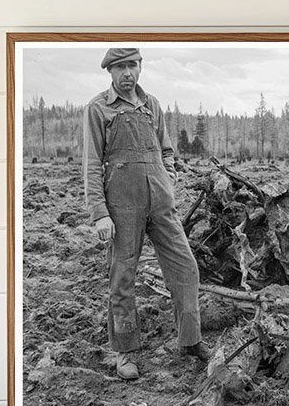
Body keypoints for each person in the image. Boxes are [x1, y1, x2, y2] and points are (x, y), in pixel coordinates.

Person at [83, 47, 210, 380]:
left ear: (140, 68)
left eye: (133, 65)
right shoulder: (99, 109)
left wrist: (167, 176)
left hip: (161, 203)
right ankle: (124, 350)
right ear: (109, 71)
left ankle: (190, 339)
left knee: (186, 267)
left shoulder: (152, 105)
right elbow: (92, 164)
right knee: (122, 276)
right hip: (122, 206)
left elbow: (167, 150)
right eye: (121, 67)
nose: (127, 73)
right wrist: (100, 213)